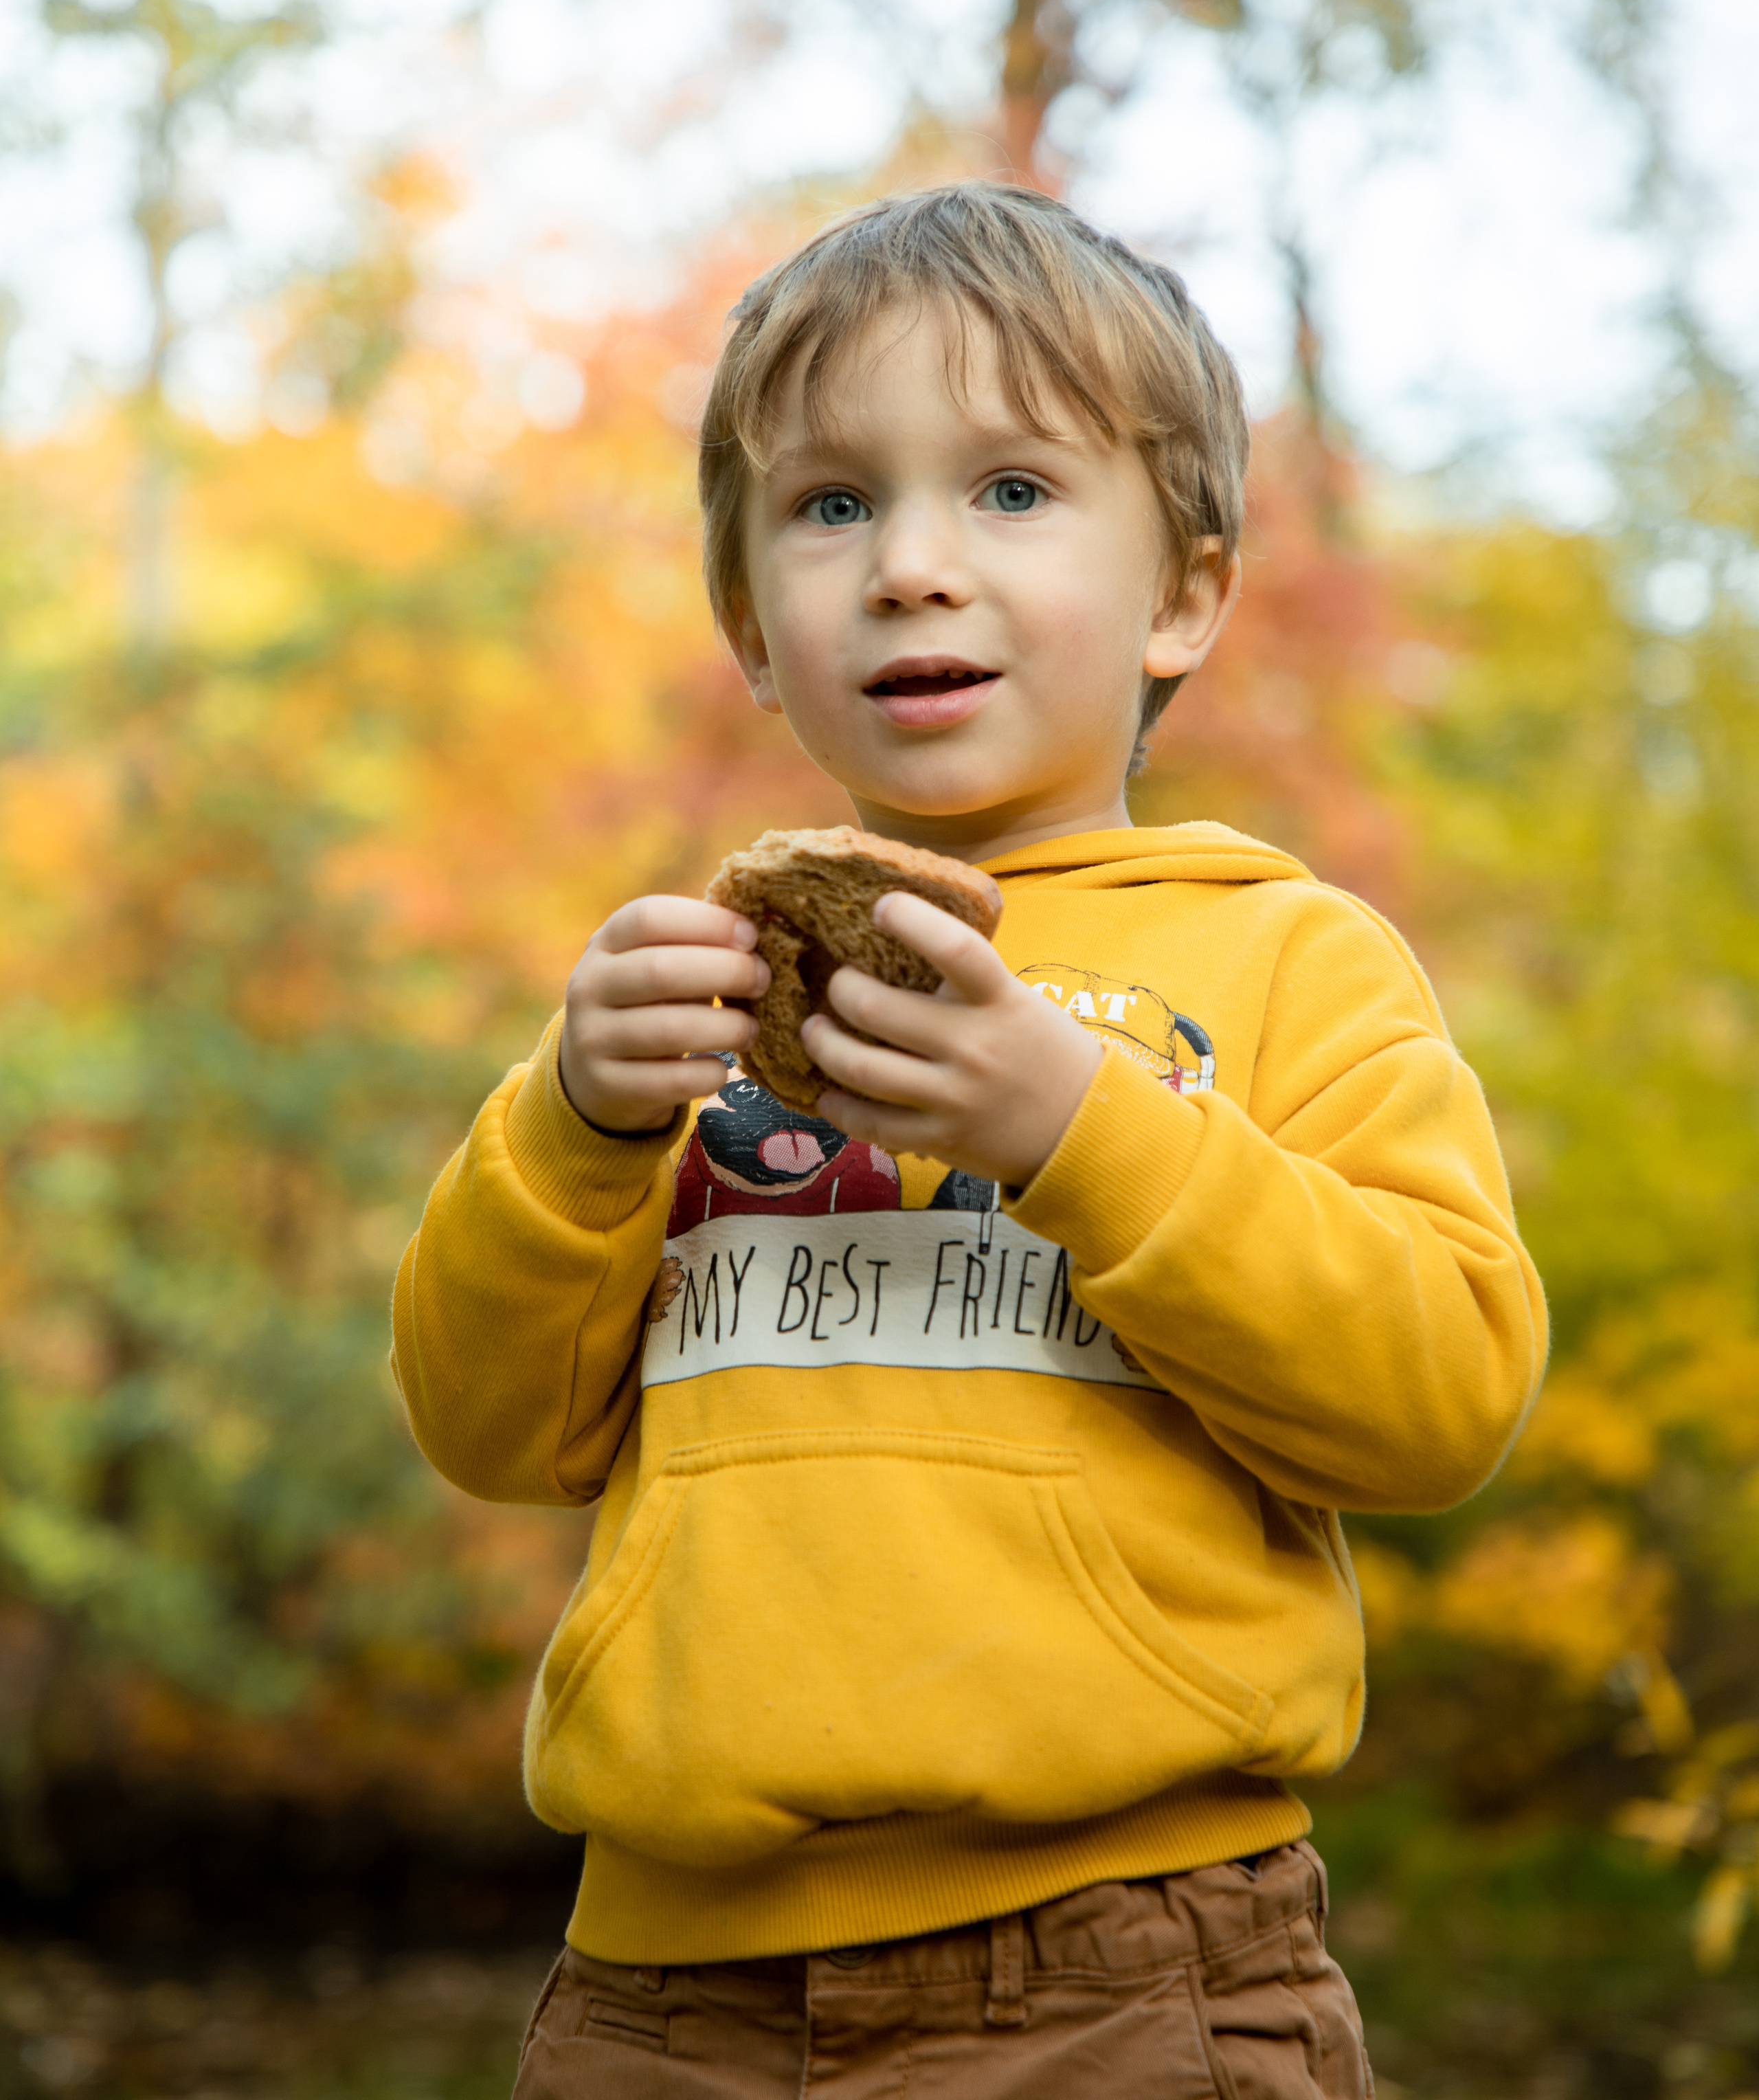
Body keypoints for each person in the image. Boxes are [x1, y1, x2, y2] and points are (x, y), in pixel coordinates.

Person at [392, 182, 1547, 2097]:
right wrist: (574, 1125)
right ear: (750, 623)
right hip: (657, 1993)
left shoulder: (1288, 958)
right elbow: (487, 1428)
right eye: (833, 504)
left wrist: (1083, 1132)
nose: (912, 566)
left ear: (1182, 595)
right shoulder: (689, 996)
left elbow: (1440, 1398)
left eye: (1012, 490)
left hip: (1122, 1967)